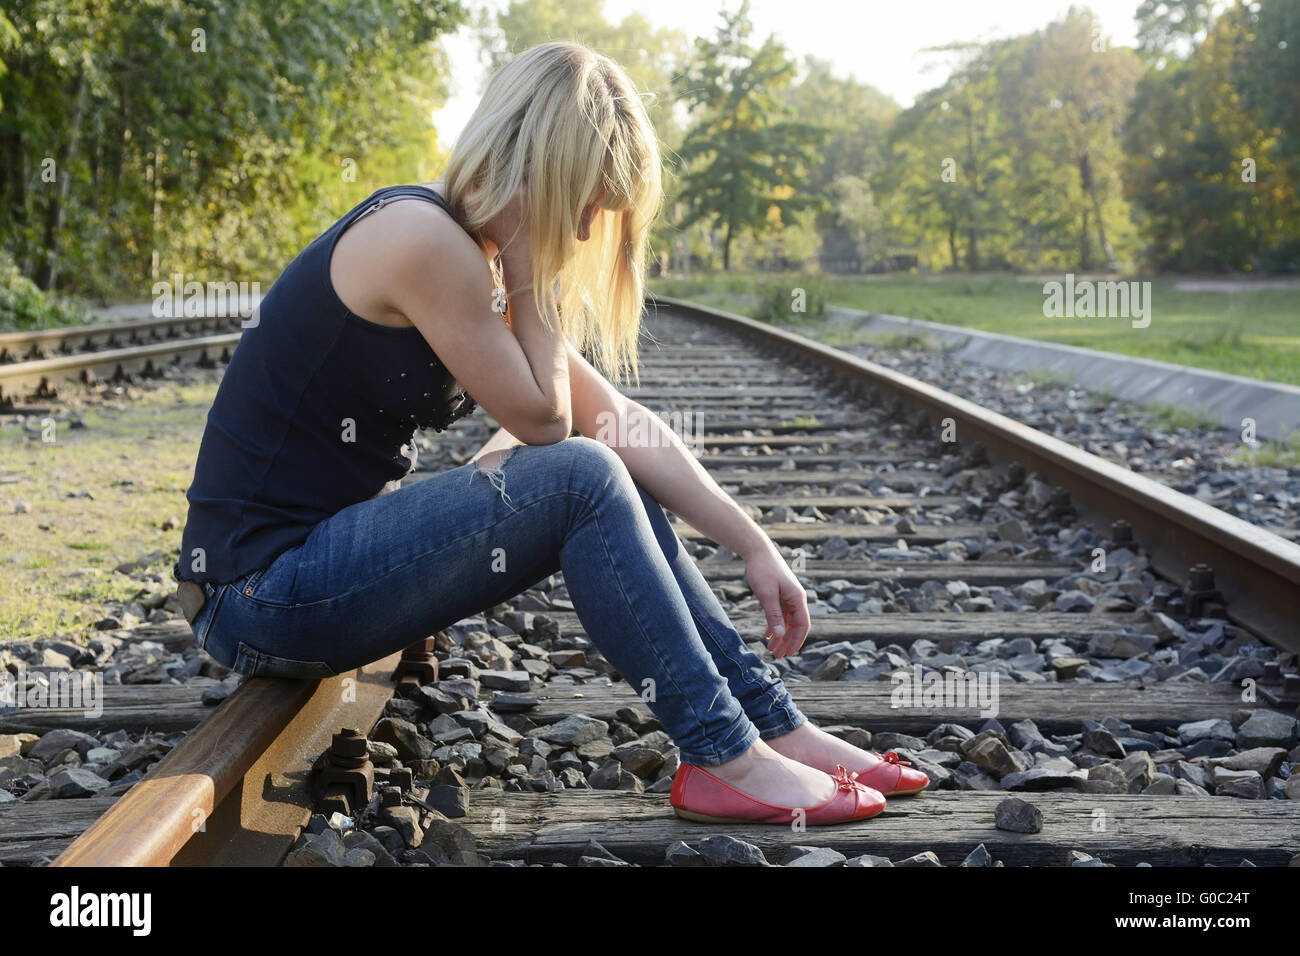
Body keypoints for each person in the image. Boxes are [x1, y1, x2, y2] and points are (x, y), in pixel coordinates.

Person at [173, 40, 926, 826]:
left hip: (308, 571)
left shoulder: (475, 258)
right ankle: (724, 756)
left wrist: (751, 542)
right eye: (589, 200)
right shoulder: (423, 240)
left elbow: (620, 421)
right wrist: (532, 279)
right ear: (545, 170)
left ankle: (774, 728)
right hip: (255, 594)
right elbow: (546, 423)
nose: (593, 226)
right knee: (579, 476)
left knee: (604, 467)